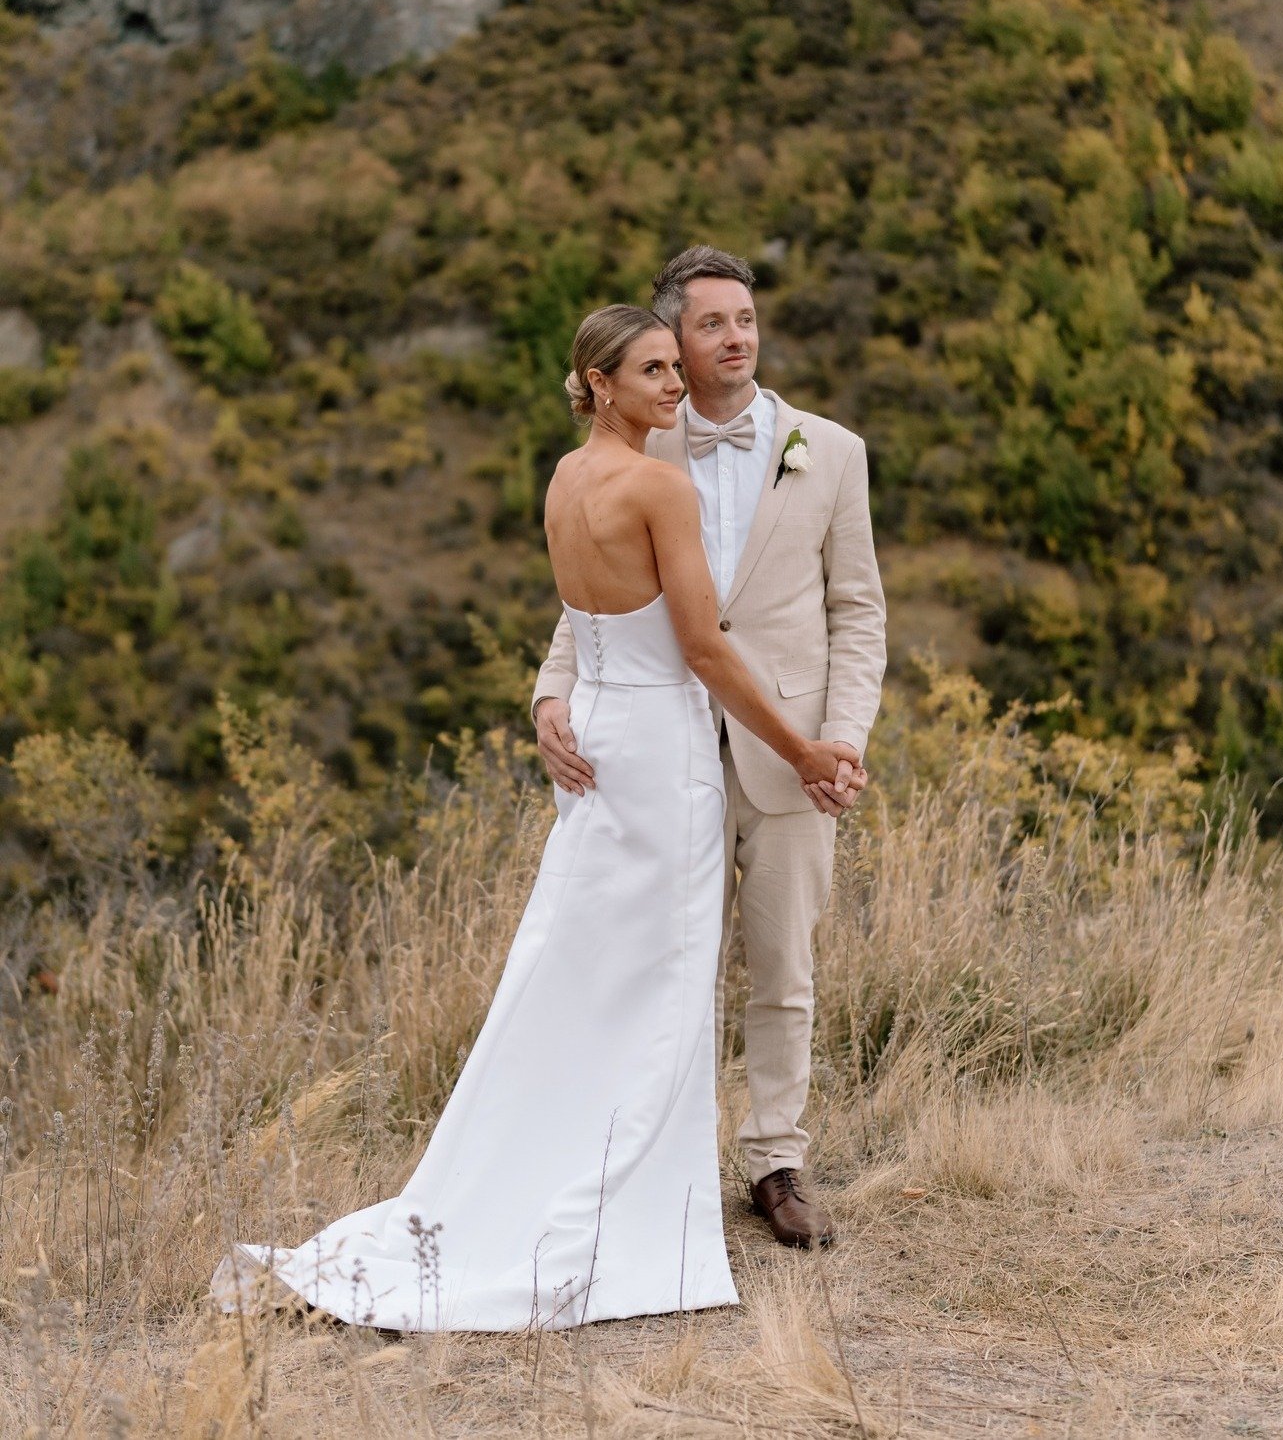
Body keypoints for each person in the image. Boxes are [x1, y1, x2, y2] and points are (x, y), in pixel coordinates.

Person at [211, 304, 847, 1332]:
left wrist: (555, 701)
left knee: (582, 965)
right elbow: (704, 648)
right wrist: (803, 747)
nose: (674, 382)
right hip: (658, 751)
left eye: (669, 367)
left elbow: (590, 626)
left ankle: (543, 1164)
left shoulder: (565, 476)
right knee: (664, 974)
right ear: (599, 380)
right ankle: (628, 1215)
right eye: (651, 370)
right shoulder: (658, 483)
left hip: (595, 735)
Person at [533, 247, 886, 1250]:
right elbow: (598, 592)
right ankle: (655, 1160)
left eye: (748, 319)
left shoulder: (832, 450)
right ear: (673, 344)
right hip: (663, 753)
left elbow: (858, 612)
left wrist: (842, 737)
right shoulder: (641, 441)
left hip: (791, 754)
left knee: (783, 965)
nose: (737, 337)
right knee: (661, 965)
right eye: (714, 323)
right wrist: (552, 689)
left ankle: (775, 1160)